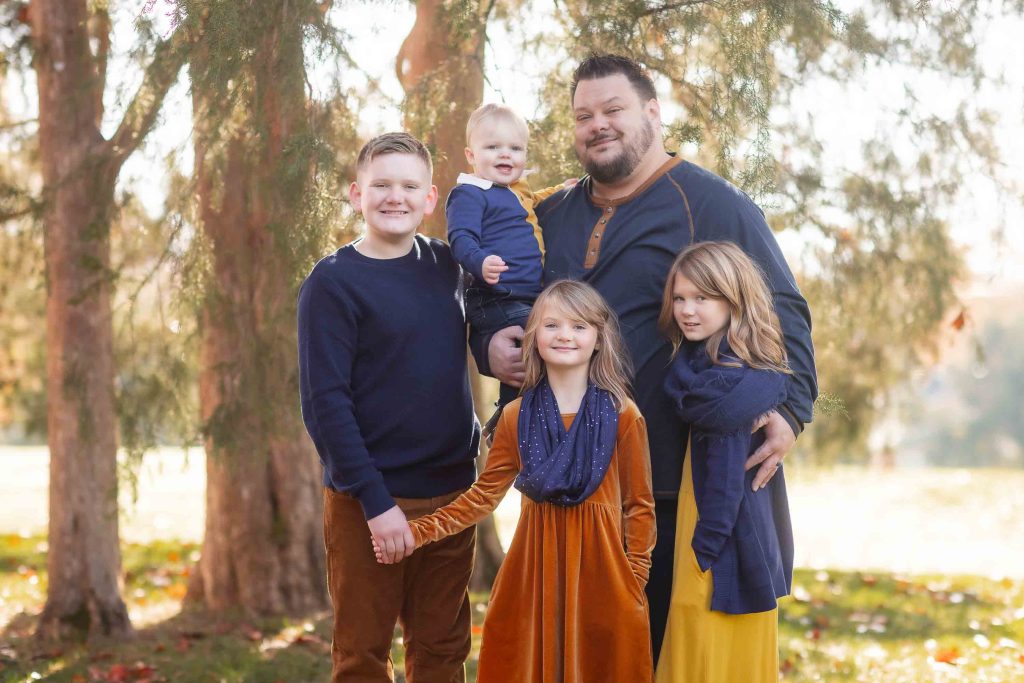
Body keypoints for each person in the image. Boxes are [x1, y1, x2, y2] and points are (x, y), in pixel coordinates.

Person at [473, 54, 818, 657]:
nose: (597, 125)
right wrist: (489, 342)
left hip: (663, 476)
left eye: (614, 110)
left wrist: (790, 410)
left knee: (651, 647)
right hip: (560, 474)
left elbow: (783, 308)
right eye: (584, 115)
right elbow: (493, 295)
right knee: (571, 652)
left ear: (653, 114)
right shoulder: (544, 211)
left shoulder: (712, 204)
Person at [376, 280, 657, 683]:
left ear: (599, 339)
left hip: (604, 572)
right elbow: (482, 497)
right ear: (534, 337)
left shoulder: (622, 414)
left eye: (579, 327)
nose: (565, 335)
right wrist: (417, 531)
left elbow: (639, 504)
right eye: (552, 325)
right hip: (534, 567)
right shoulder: (516, 416)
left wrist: (635, 578)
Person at [297, 132, 480, 683]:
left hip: (452, 494)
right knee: (363, 655)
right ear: (357, 194)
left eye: (408, 186)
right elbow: (325, 406)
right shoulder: (332, 284)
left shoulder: (448, 267)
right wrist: (377, 505)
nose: (394, 197)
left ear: (430, 198)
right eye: (380, 185)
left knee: (443, 650)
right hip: (370, 501)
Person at [654, 241, 794, 682]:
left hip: (720, 537)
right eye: (679, 298)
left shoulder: (725, 384)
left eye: (702, 298)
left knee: (701, 644)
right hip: (712, 527)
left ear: (734, 300)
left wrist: (705, 549)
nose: (687, 310)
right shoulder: (704, 363)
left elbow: (727, 480)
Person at [446, 103, 567, 433]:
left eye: (515, 148)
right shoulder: (470, 193)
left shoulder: (517, 191)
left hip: (524, 298)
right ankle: (512, 419)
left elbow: (533, 202)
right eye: (493, 147)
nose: (505, 155)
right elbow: (460, 237)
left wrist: (563, 190)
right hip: (493, 297)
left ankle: (514, 413)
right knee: (540, 338)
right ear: (471, 155)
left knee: (529, 351)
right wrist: (480, 261)